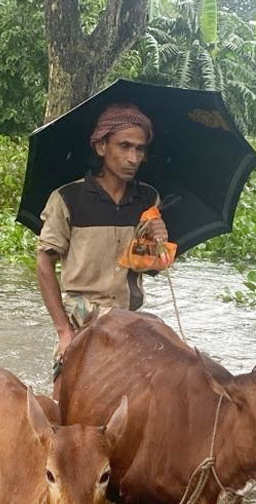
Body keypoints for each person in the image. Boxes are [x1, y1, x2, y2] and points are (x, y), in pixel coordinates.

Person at [36, 103, 169, 371]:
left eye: (140, 149)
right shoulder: (67, 199)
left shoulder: (148, 199)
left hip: (129, 317)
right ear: (100, 147)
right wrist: (63, 332)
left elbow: (150, 268)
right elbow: (44, 262)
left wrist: (159, 242)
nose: (133, 158)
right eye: (124, 146)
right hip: (81, 315)